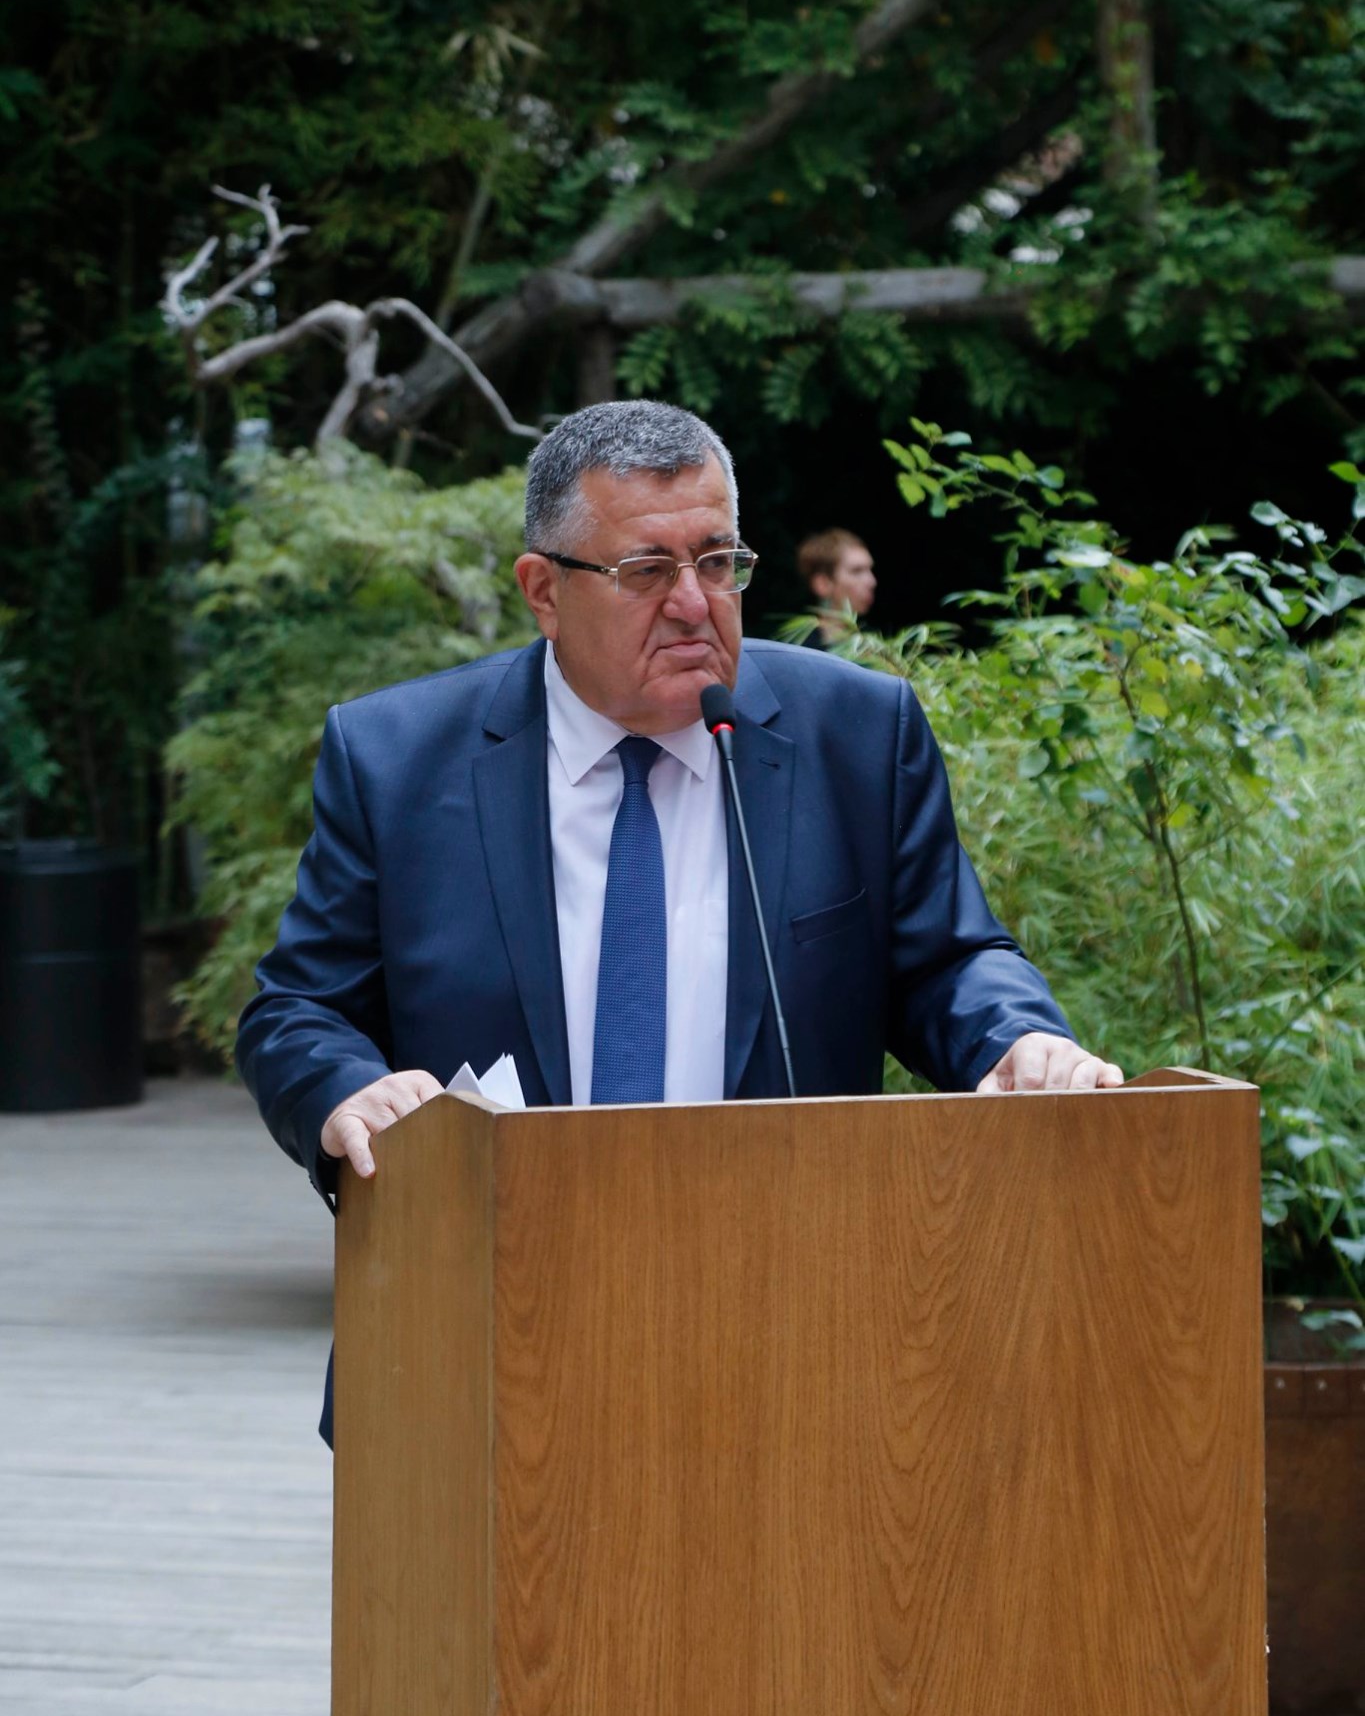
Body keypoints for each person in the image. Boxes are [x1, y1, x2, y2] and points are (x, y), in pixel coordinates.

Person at [238, 400, 1121, 1443]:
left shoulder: (855, 735)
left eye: (717, 561)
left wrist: (1016, 1038)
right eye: (646, 571)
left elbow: (947, 959)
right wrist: (345, 1088)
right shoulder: (396, 757)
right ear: (543, 591)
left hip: (793, 1338)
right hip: (483, 1337)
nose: (695, 603)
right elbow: (298, 1008)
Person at [796, 526, 877, 644]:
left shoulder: (876, 647)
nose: (872, 581)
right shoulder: (795, 650)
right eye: (857, 571)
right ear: (822, 584)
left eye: (870, 570)